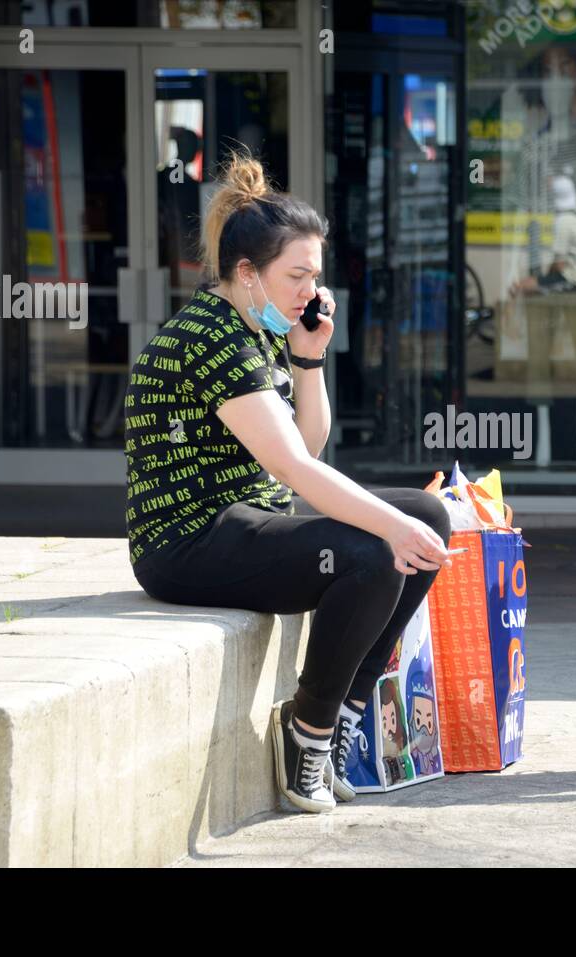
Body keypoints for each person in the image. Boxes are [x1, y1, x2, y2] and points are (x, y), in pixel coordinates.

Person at [124, 151, 454, 813]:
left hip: (251, 518)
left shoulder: (256, 328)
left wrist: (309, 359)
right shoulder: (209, 337)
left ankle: (346, 711)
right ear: (248, 274)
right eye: (297, 275)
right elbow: (297, 468)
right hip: (188, 541)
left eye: (316, 276)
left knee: (429, 514)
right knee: (373, 551)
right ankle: (308, 733)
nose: (312, 291)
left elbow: (305, 442)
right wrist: (387, 526)